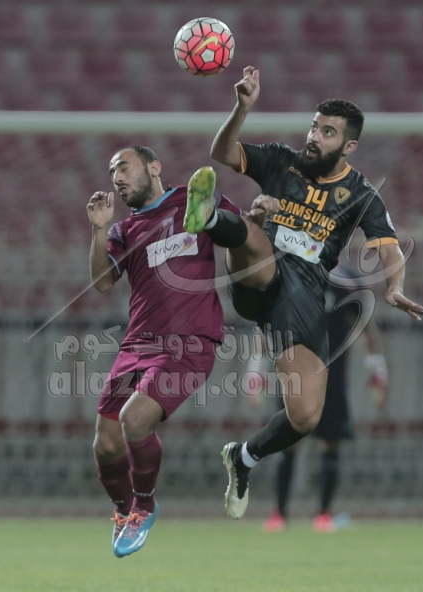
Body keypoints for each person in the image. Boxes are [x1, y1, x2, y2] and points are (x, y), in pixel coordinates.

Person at [182, 66, 423, 520]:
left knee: (305, 417)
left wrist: (395, 287)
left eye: (327, 132)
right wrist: (242, 108)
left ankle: (243, 457)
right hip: (260, 276)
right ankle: (210, 216)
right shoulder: (281, 160)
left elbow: (388, 246)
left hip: (304, 297)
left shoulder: (361, 193)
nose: (314, 136)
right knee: (257, 231)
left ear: (349, 146)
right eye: (314, 126)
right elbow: (222, 152)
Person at [87, 147, 247, 557]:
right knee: (105, 445)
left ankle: (144, 506)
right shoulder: (124, 229)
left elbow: (240, 232)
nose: (117, 177)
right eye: (112, 171)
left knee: (135, 419)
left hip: (188, 343)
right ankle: (124, 510)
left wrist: (251, 220)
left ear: (154, 167)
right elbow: (103, 282)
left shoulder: (193, 199)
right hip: (138, 344)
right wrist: (99, 230)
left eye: (124, 167)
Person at [262, 263, 388, 533]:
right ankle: (279, 514)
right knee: (288, 441)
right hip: (294, 375)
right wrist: (256, 369)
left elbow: (366, 326)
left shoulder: (347, 281)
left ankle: (323, 514)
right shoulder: (289, 276)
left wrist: (377, 368)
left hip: (332, 376)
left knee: (331, 442)